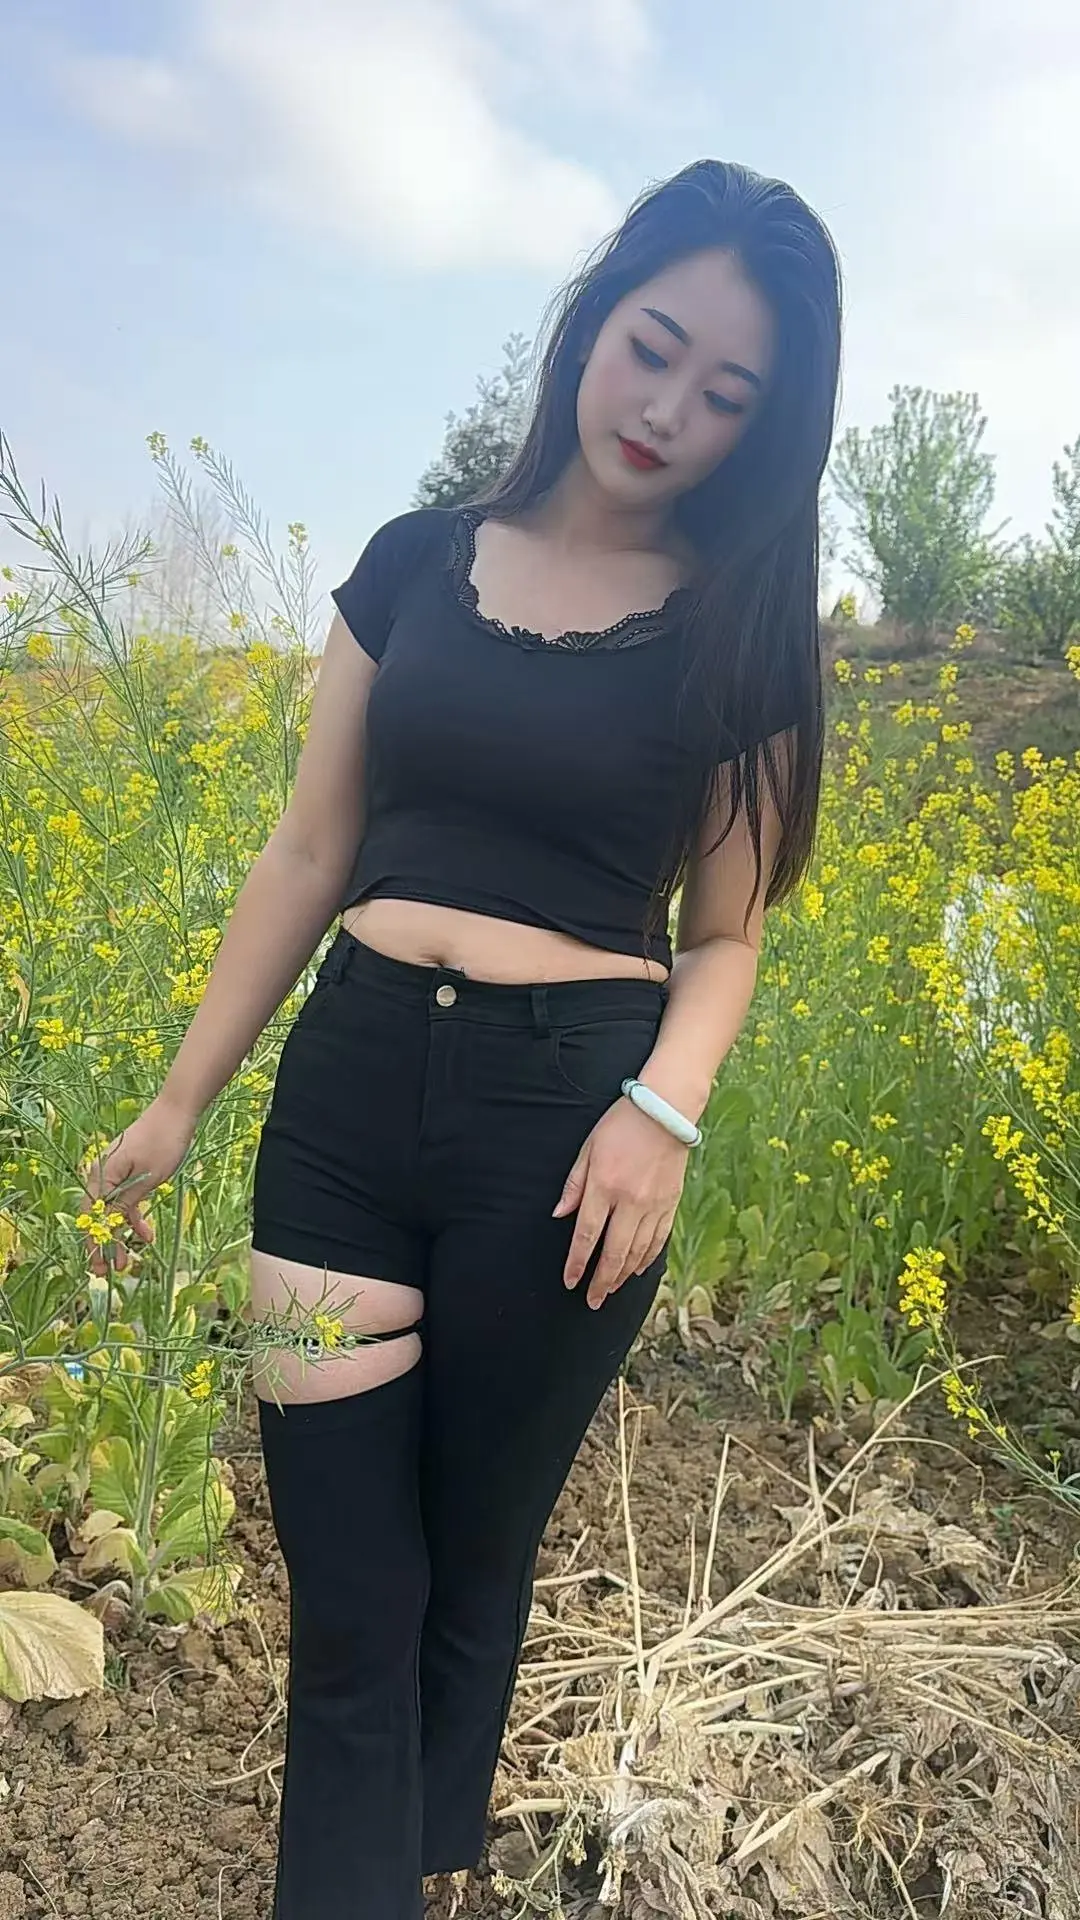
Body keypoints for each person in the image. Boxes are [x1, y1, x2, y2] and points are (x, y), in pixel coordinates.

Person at [79, 158, 842, 1918]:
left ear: (763, 427)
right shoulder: (414, 563)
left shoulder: (740, 628)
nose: (671, 409)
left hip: (566, 1142)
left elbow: (725, 936)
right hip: (342, 1114)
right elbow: (309, 850)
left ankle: (412, 1873)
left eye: (730, 394)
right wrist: (181, 1099)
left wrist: (663, 1113)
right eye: (654, 346)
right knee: (352, 1597)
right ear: (593, 318)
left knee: (470, 1569)